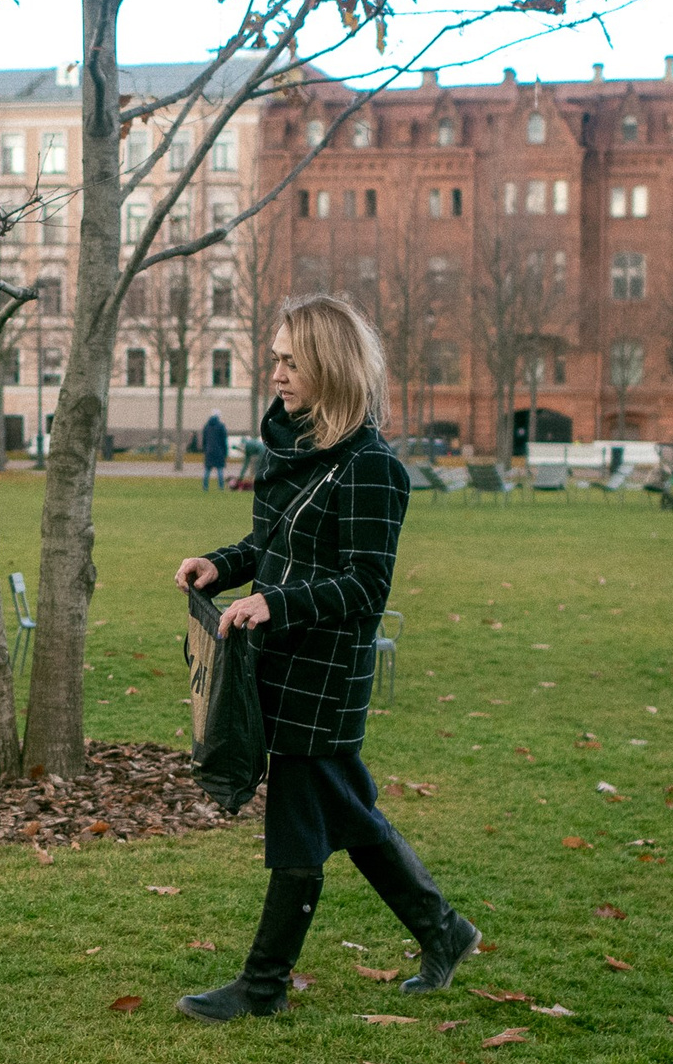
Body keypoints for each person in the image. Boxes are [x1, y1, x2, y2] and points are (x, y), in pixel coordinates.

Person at [171, 295, 480, 1020]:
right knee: (346, 812)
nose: (276, 372)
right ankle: (444, 931)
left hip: (326, 671)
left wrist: (275, 603)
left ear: (328, 366)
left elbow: (365, 583)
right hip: (282, 660)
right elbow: (275, 549)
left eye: (290, 359)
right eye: (275, 357)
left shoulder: (371, 468)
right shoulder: (298, 452)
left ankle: (264, 984)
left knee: (301, 819)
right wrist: (221, 566)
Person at [200, 410, 230, 490]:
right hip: (219, 451)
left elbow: (204, 440)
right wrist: (225, 452)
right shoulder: (221, 426)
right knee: (220, 470)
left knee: (207, 470)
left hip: (209, 451)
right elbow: (224, 440)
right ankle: (221, 487)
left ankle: (205, 486)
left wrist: (205, 450)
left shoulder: (207, 426)